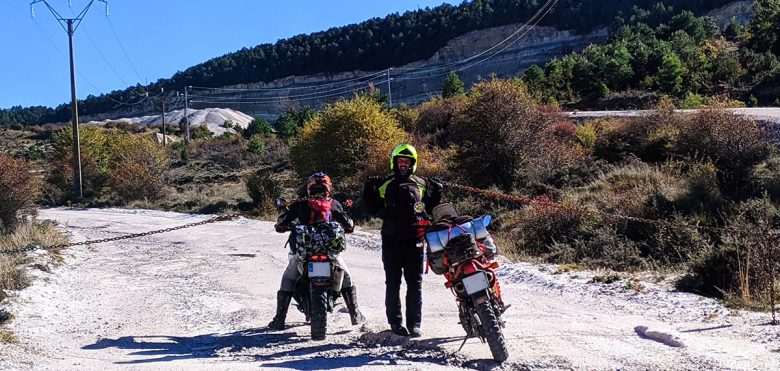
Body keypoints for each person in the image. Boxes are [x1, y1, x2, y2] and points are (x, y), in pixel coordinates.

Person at [363, 144, 443, 337]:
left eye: (407, 162)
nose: (403, 165)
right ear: (394, 162)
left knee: (415, 283)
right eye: (401, 161)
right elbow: (372, 208)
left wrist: (437, 192)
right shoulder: (385, 183)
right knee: (393, 283)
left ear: (413, 164)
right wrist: (369, 189)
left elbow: (428, 209)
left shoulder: (422, 183)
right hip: (391, 239)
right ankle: (395, 323)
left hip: (415, 240)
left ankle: (414, 323)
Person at [268, 172, 365, 330]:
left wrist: (284, 224)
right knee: (346, 275)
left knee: (288, 277)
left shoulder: (299, 205)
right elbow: (349, 226)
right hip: (329, 252)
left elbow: (281, 224)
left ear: (309, 188)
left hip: (303, 252)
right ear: (329, 188)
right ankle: (355, 313)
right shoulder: (334, 204)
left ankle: (279, 319)